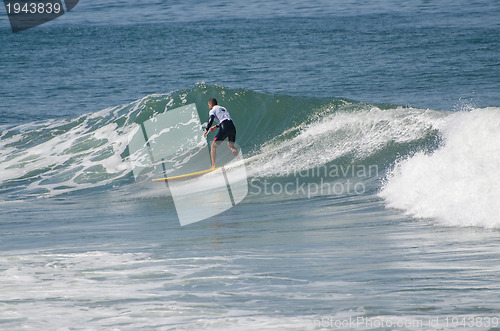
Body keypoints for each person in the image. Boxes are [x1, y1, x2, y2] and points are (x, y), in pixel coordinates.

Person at [203, 98, 238, 169]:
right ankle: (239, 160)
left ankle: (213, 166)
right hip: (232, 127)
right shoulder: (223, 108)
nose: (209, 107)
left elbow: (211, 119)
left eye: (209, 105)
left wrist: (206, 129)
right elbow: (226, 120)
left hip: (224, 127)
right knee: (231, 146)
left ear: (211, 104)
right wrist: (216, 126)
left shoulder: (212, 110)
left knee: (213, 146)